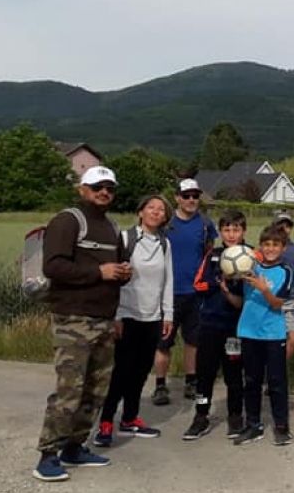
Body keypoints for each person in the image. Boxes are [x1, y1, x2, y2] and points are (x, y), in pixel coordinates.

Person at [33, 166, 129, 482]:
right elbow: (53, 266)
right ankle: (48, 454)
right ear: (83, 189)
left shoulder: (112, 227)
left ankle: (75, 447)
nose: (104, 192)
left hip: (103, 318)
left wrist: (121, 275)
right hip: (73, 318)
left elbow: (113, 270)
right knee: (69, 389)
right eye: (97, 186)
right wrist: (98, 273)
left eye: (109, 188)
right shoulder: (69, 220)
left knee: (95, 389)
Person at [94, 195, 174, 447]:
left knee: (141, 371)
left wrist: (167, 313)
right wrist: (116, 315)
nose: (156, 212)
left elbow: (168, 280)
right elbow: (115, 278)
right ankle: (106, 422)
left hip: (152, 316)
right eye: (151, 207)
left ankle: (130, 418)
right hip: (127, 315)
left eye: (161, 210)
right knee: (121, 371)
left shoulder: (164, 244)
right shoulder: (126, 239)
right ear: (140, 212)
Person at [182, 210, 248, 441]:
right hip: (210, 324)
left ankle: (235, 415)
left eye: (236, 230)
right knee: (204, 374)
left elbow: (254, 292)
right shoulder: (213, 255)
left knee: (233, 375)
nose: (231, 234)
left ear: (244, 232)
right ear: (220, 232)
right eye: (227, 230)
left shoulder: (250, 256)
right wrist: (219, 280)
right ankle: (201, 416)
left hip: (235, 328)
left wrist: (237, 282)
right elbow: (198, 284)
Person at [153, 178, 217, 406]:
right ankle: (160, 385)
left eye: (195, 196)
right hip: (167, 293)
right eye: (186, 196)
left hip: (195, 292)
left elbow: (210, 254)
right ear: (177, 198)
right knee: (163, 342)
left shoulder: (205, 225)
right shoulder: (165, 223)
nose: (191, 200)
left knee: (193, 341)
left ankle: (191, 380)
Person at [233, 225, 294, 446]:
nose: (270, 249)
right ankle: (253, 425)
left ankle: (281, 426)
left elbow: (279, 304)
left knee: (277, 381)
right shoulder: (250, 266)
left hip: (273, 333)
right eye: (266, 244)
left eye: (275, 245)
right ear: (260, 246)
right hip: (248, 332)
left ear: (283, 247)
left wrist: (263, 288)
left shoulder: (286, 271)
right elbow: (235, 283)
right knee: (251, 381)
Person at [272, 212, 294, 360]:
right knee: (273, 338)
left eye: (287, 225)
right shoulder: (267, 247)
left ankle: (277, 366)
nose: (284, 228)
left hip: (291, 298)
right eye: (280, 225)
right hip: (271, 296)